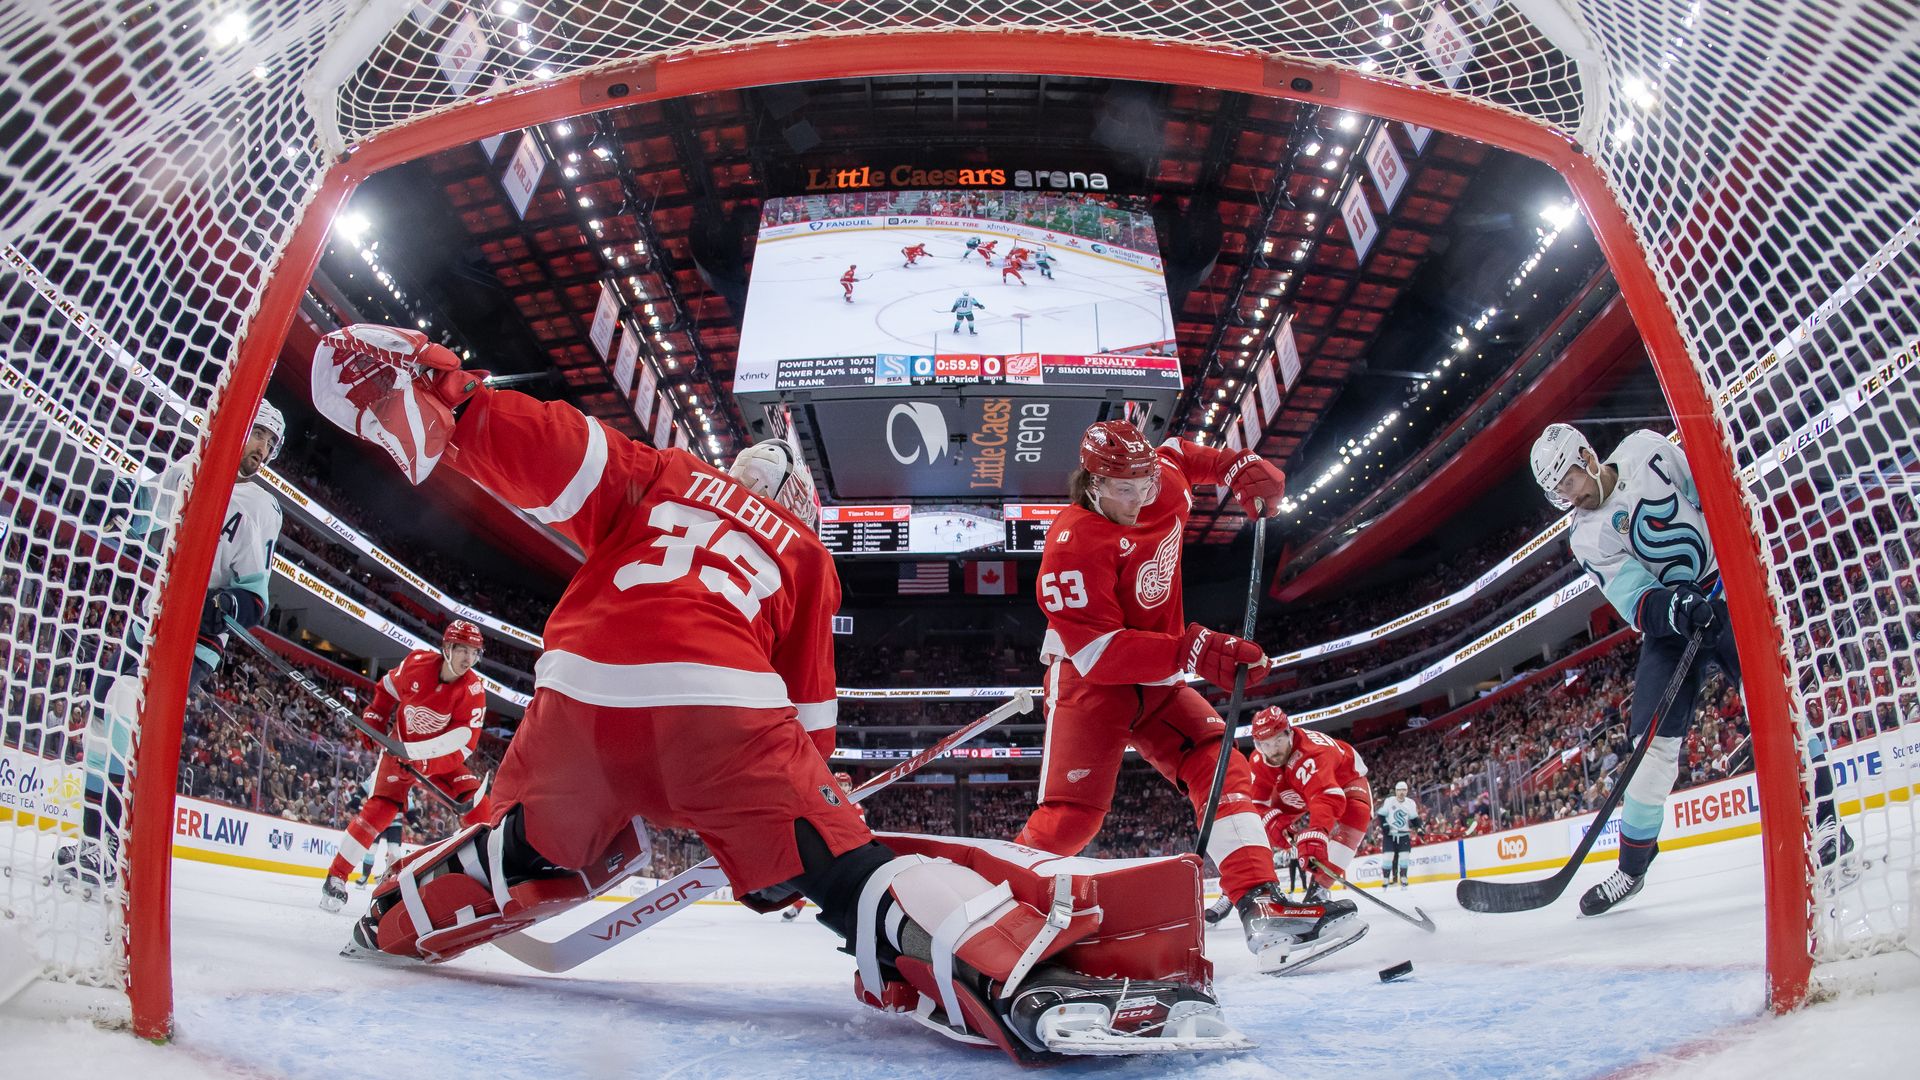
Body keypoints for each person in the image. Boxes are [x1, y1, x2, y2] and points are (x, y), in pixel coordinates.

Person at [307, 324, 1249, 1060]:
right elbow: (809, 718)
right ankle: (1010, 978)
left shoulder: (666, 475)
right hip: (718, 701)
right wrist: (796, 837)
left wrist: (459, 402)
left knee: (553, 848)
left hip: (577, 695)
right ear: (798, 502)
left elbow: (561, 449)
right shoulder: (803, 549)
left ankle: (398, 915)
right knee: (847, 869)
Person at [1011, 419, 1356, 971]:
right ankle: (999, 910)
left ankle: (1263, 911)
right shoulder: (1071, 544)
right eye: (1127, 489)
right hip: (1090, 683)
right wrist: (1193, 651)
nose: (1143, 496)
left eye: (1147, 483)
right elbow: (1101, 653)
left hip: (1161, 680)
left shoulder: (1157, 479)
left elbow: (1178, 454)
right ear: (1093, 485)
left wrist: (1234, 465)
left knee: (1219, 762)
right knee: (1072, 818)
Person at [1530, 423, 1854, 915]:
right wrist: (1675, 607)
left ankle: (1827, 820)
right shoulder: (1585, 536)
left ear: (1587, 456)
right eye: (1557, 490)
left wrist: (1735, 562)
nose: (1566, 496)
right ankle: (1632, 870)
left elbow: (1709, 491)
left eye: (1568, 481)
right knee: (1648, 750)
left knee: (1775, 705)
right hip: (1676, 620)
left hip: (1727, 590)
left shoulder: (1646, 449)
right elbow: (1635, 597)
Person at [57, 401, 285, 891]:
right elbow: (138, 515)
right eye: (259, 435)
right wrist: (113, 498)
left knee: (123, 715)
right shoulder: (189, 469)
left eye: (271, 443)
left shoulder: (262, 508)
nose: (264, 450)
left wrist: (226, 602)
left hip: (194, 641)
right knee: (99, 729)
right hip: (148, 625)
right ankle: (95, 846)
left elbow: (257, 598)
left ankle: (115, 851)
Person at [319, 620, 494, 912]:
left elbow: (464, 745)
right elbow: (387, 689)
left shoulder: (474, 691)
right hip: (399, 748)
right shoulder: (417, 664)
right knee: (381, 809)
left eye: (474, 651)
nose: (467, 658)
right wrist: (375, 714)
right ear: (446, 648)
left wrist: (427, 762)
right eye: (461, 649)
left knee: (478, 807)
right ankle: (335, 878)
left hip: (440, 759)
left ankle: (486, 882)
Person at [1246, 707, 1374, 924]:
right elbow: (1257, 803)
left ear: (1289, 732)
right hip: (1297, 785)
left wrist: (1317, 832)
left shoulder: (1312, 753)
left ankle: (1319, 889)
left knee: (1358, 814)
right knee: (1258, 825)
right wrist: (1270, 820)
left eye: (1277, 741)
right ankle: (1244, 889)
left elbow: (1326, 796)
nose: (1273, 750)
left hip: (1344, 779)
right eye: (1265, 745)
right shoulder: (1260, 761)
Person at [1375, 780, 1422, 888]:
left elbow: (1414, 818)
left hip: (1403, 835)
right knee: (1388, 856)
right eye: (1399, 790)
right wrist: (1385, 826)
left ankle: (1403, 877)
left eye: (1404, 790)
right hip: (1390, 835)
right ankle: (1386, 878)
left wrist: (1419, 828)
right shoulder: (1389, 801)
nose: (1401, 792)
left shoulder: (1410, 803)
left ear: (1407, 791)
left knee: (1404, 856)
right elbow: (1381, 816)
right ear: (1396, 791)